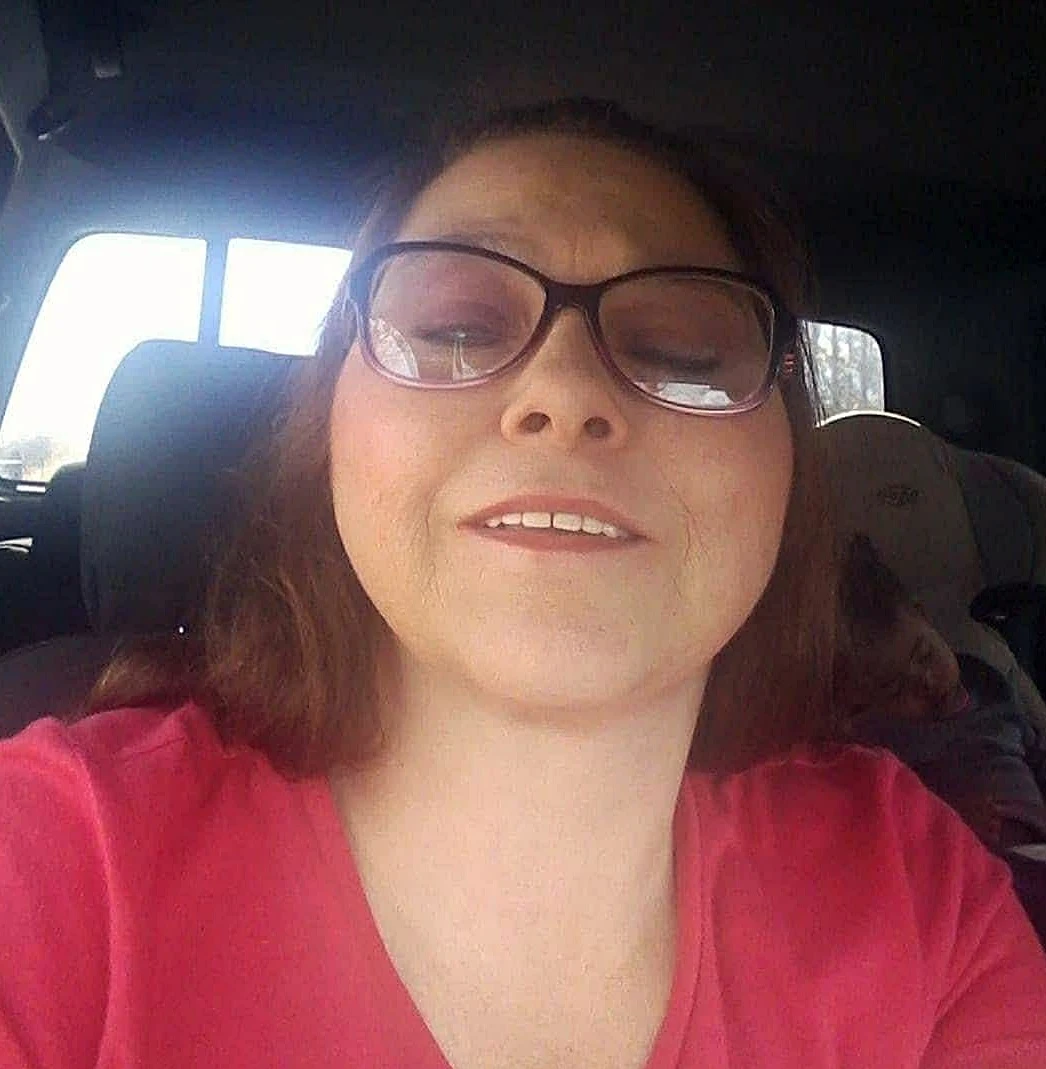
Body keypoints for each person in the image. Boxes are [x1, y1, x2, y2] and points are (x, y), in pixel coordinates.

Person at [1, 98, 1045, 1067]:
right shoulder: (55, 864)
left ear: (787, 473)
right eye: (455, 330)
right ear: (330, 436)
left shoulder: (919, 897)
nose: (564, 389)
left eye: (681, 352)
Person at [835, 533, 1046, 852]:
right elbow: (891, 825)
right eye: (896, 688)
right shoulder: (891, 744)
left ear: (925, 618)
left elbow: (1033, 748)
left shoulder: (986, 683)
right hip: (984, 863)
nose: (926, 680)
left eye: (925, 655)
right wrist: (948, 821)